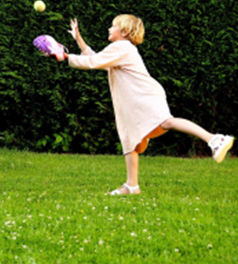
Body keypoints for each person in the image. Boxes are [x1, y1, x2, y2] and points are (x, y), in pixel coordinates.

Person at [45, 14, 234, 195]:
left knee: (166, 122)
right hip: (134, 101)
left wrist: (65, 57)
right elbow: (97, 59)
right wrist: (79, 39)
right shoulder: (118, 50)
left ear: (125, 32)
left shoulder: (122, 47)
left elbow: (93, 62)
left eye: (113, 25)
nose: (109, 28)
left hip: (145, 95)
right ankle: (131, 186)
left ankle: (215, 139)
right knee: (130, 141)